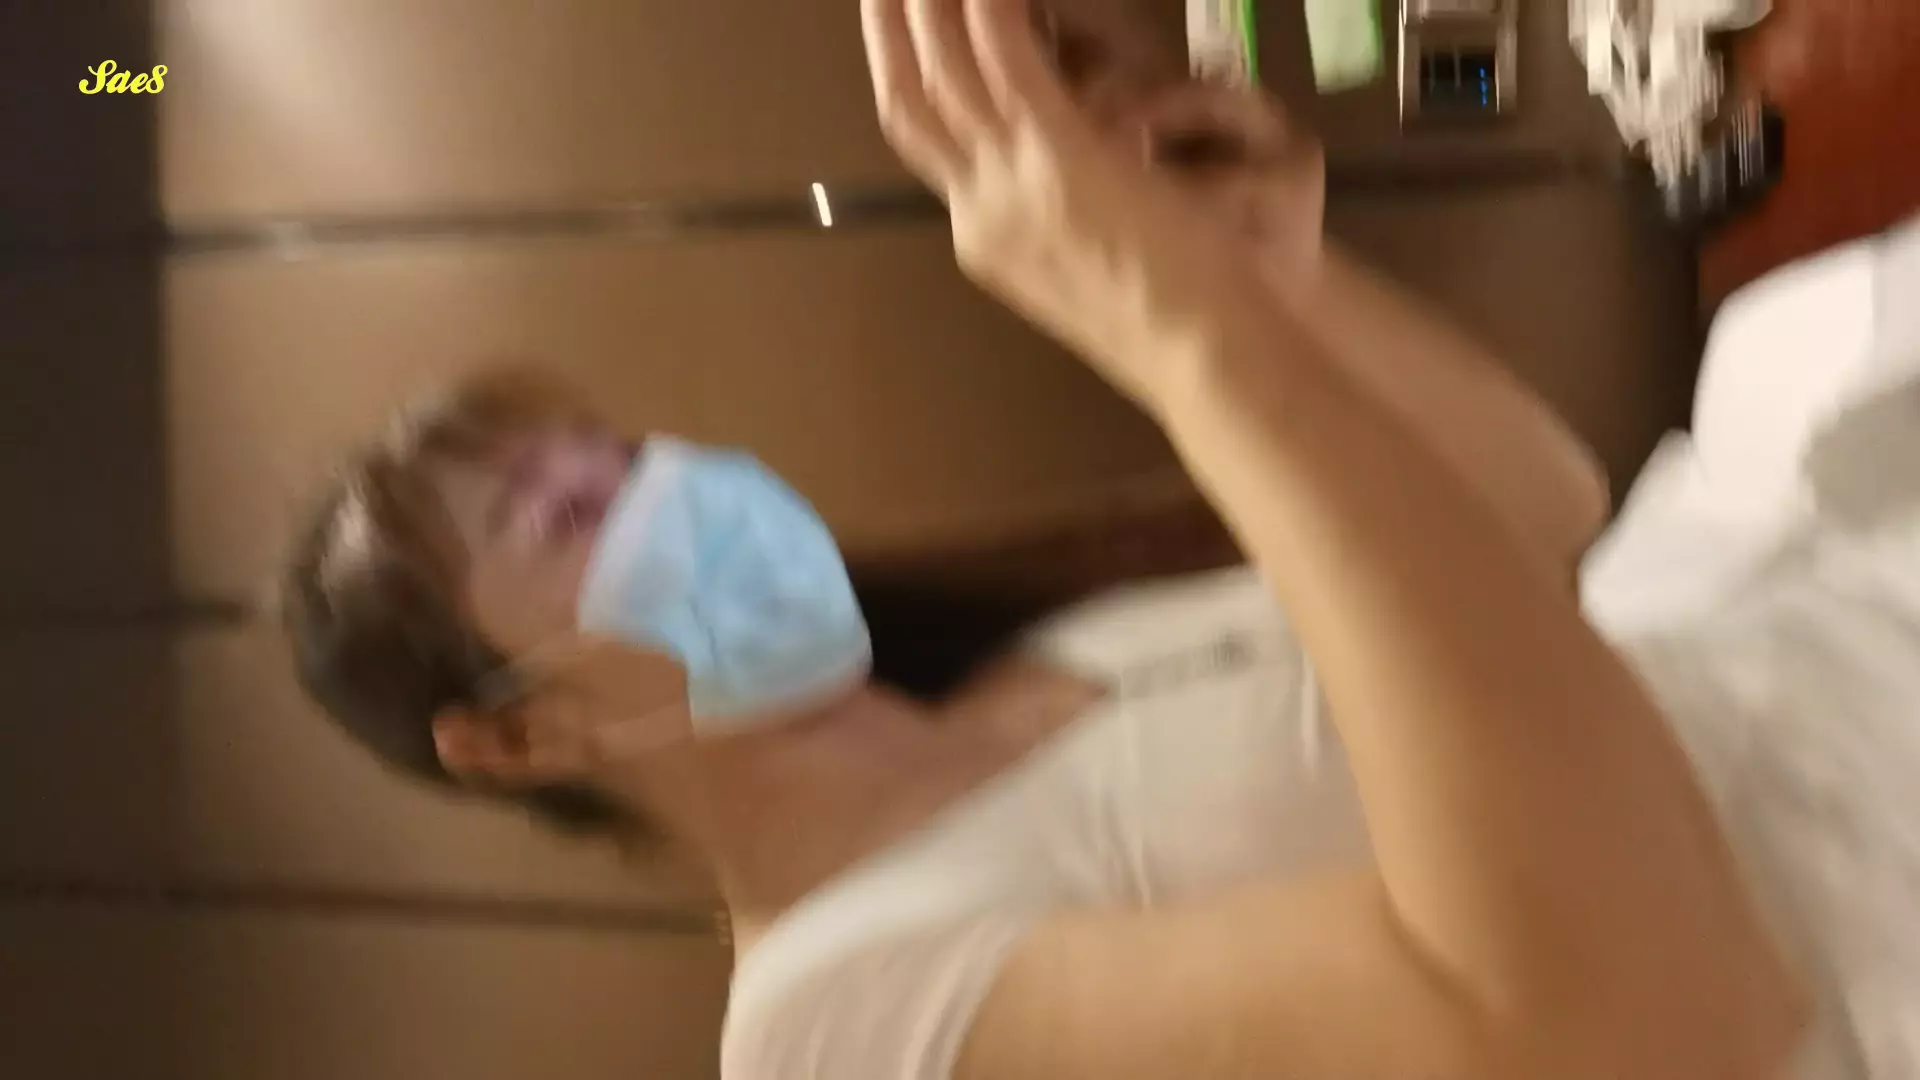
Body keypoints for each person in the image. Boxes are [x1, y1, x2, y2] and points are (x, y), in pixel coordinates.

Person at [279, 2, 1920, 1078]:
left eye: (629, 453)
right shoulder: (842, 1021)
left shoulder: (1026, 659)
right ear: (518, 734)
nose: (679, 491)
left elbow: (1535, 524)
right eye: (572, 514)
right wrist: (1178, 330)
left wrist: (1268, 281)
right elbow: (1637, 1017)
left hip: (1823, 676)